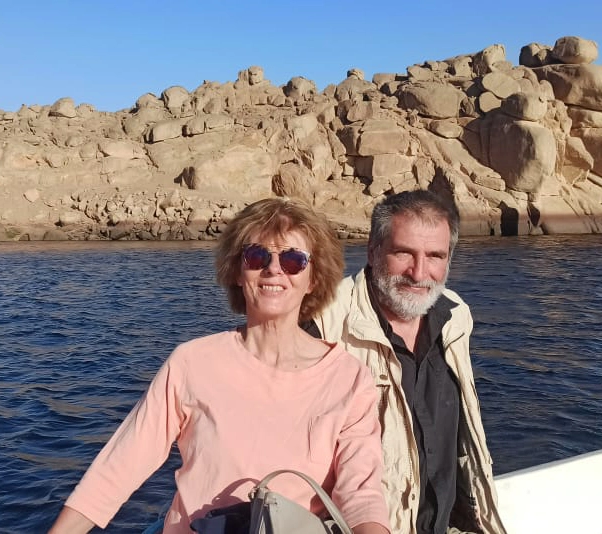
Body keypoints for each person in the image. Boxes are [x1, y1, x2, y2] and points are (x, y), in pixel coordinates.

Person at [48, 197, 391, 534]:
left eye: (293, 260)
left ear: (313, 279)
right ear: (239, 272)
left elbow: (360, 492)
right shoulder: (192, 362)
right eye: (257, 256)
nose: (273, 269)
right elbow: (119, 467)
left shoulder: (348, 378)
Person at [310, 190, 507, 534]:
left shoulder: (455, 316)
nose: (419, 273)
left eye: (435, 256)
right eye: (404, 253)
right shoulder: (323, 325)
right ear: (373, 251)